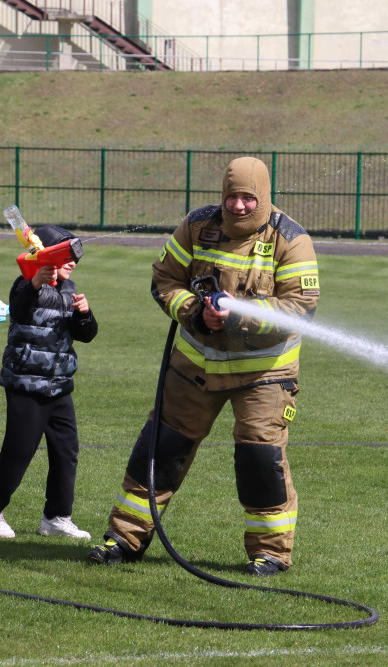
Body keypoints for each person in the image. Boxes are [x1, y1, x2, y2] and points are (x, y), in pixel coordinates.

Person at [88, 156, 320, 576]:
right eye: (232, 196)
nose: (239, 206)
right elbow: (165, 280)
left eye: (249, 198)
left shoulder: (291, 238)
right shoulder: (197, 225)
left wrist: (237, 314)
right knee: (159, 451)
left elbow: (300, 307)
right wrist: (196, 312)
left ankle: (270, 553)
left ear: (263, 198)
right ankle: (125, 537)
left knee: (259, 459)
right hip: (194, 366)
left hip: (264, 375)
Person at [0, 225, 98, 540]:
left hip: (59, 385)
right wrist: (33, 284)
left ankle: (56, 517)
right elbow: (17, 310)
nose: (72, 263)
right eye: (66, 256)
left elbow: (86, 334)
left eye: (74, 258)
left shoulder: (69, 289)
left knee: (66, 450)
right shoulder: (24, 285)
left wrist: (84, 314)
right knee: (19, 450)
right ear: (47, 256)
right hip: (25, 384)